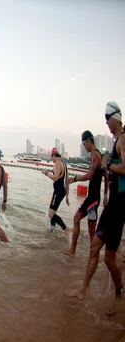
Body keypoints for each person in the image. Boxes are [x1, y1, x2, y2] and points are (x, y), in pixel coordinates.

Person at [66, 101, 125, 315]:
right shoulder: (116, 142)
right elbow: (110, 176)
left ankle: (119, 294)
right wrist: (108, 191)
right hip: (113, 204)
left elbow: (124, 169)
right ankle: (83, 290)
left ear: (115, 117)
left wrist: (108, 166)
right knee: (94, 247)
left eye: (107, 120)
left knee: (109, 258)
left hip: (121, 205)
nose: (107, 124)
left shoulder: (122, 140)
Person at [62, 131, 109, 258]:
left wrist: (74, 179)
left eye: (84, 144)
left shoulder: (96, 155)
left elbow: (90, 175)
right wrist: (105, 195)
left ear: (88, 141)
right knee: (91, 230)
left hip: (93, 199)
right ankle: (93, 255)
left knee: (77, 219)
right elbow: (105, 174)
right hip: (93, 198)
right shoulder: (96, 155)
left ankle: (75, 251)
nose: (84, 147)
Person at [41, 148, 70, 233]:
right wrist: (67, 195)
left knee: (51, 214)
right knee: (52, 212)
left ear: (54, 156)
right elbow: (67, 180)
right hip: (62, 191)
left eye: (52, 157)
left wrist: (46, 173)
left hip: (58, 191)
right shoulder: (64, 164)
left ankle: (65, 228)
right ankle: (52, 230)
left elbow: (56, 178)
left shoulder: (57, 163)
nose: (52, 160)